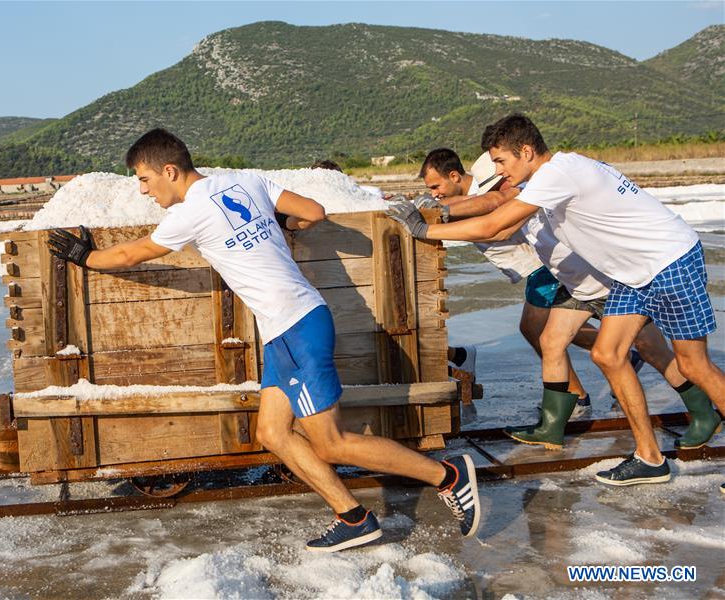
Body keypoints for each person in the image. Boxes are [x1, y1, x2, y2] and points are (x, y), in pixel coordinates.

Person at [48, 128, 482, 550]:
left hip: (296, 327)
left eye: (144, 179)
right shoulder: (245, 181)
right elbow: (314, 211)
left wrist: (83, 256)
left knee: (331, 442)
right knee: (273, 432)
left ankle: (447, 476)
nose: (143, 190)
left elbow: (129, 254)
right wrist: (279, 222)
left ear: (169, 171)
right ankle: (353, 517)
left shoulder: (189, 213)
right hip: (286, 330)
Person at [389, 114, 723, 485]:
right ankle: (650, 458)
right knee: (607, 354)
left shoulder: (556, 174)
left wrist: (423, 228)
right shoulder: (551, 175)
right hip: (633, 274)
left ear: (526, 151)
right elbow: (499, 223)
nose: (498, 170)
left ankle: (696, 419)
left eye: (501, 161)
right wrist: (439, 216)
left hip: (669, 259)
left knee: (694, 365)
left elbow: (494, 223)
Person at [411, 148, 597, 412]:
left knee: (536, 330)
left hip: (543, 266)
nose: (434, 194)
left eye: (435, 187)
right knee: (566, 329)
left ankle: (577, 395)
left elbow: (489, 202)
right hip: (540, 267)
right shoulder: (471, 195)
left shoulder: (488, 190)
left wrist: (434, 214)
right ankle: (624, 353)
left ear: (454, 176)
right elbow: (468, 203)